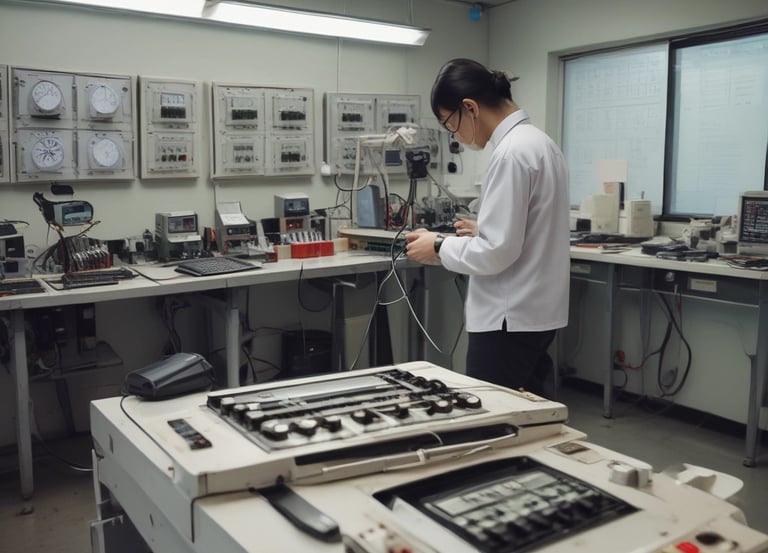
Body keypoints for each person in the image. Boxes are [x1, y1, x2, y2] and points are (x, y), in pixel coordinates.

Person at [405, 58, 570, 396]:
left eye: (450, 123)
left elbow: (497, 252)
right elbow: (530, 230)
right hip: (536, 313)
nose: (455, 135)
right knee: (533, 412)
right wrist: (485, 228)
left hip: (508, 319)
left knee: (495, 417)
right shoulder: (540, 144)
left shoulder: (510, 153)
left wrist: (437, 246)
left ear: (470, 108)